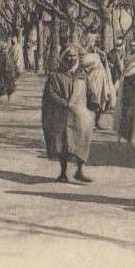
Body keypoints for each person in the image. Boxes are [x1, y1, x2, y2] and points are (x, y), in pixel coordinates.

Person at [41, 45, 94, 182]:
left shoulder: (82, 74)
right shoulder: (55, 75)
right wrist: (64, 103)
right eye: (68, 56)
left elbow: (90, 91)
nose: (71, 59)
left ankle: (80, 171)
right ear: (63, 58)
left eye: (74, 56)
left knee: (82, 141)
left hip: (81, 113)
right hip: (63, 114)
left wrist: (94, 102)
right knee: (63, 143)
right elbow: (50, 93)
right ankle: (63, 173)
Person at [83, 51, 114, 130]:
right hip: (93, 81)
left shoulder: (99, 57)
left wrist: (104, 60)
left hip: (102, 82)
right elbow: (85, 67)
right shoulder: (88, 57)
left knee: (102, 101)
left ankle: (96, 122)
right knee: (93, 102)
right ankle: (91, 123)